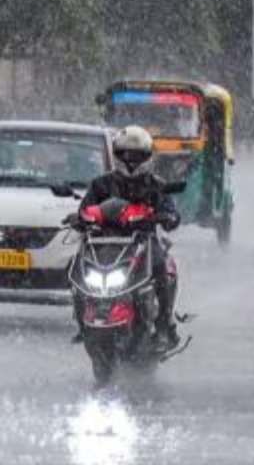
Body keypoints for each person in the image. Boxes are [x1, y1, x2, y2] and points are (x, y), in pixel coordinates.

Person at [70, 125, 181, 350]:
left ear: (148, 157)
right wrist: (79, 219)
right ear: (117, 155)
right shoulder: (101, 184)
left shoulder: (156, 185)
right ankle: (82, 322)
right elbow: (85, 209)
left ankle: (163, 325)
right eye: (126, 154)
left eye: (137, 155)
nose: (131, 160)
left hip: (142, 243)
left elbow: (171, 212)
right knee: (75, 270)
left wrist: (167, 216)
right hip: (105, 244)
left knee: (162, 268)